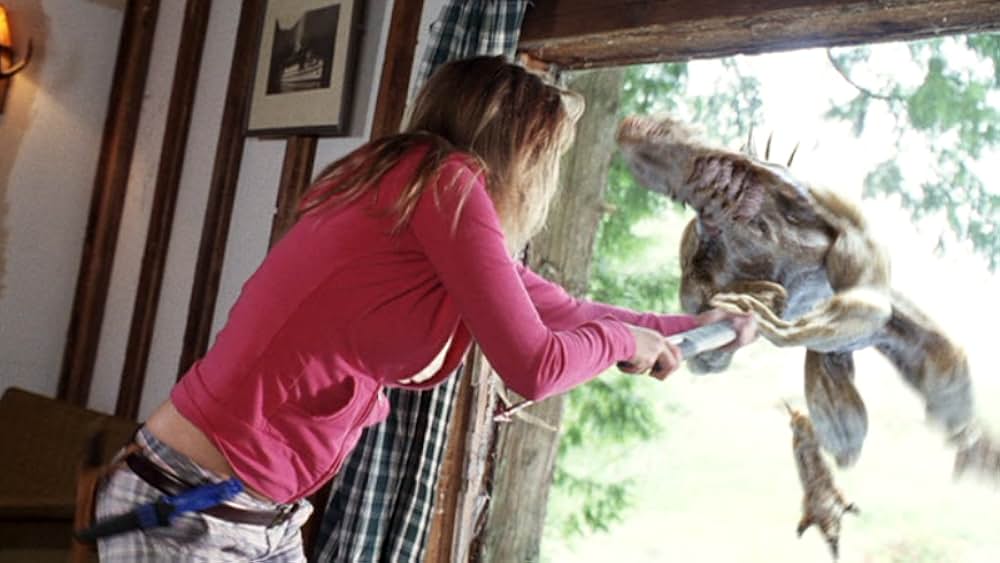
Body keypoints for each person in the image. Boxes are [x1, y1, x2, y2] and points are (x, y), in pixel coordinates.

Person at [91, 55, 756, 562]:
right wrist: (621, 341)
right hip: (190, 504)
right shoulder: (443, 183)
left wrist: (703, 329)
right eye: (544, 157)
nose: (543, 179)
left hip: (256, 512)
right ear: (514, 147)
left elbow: (562, 308)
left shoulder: (417, 192)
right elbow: (533, 363)